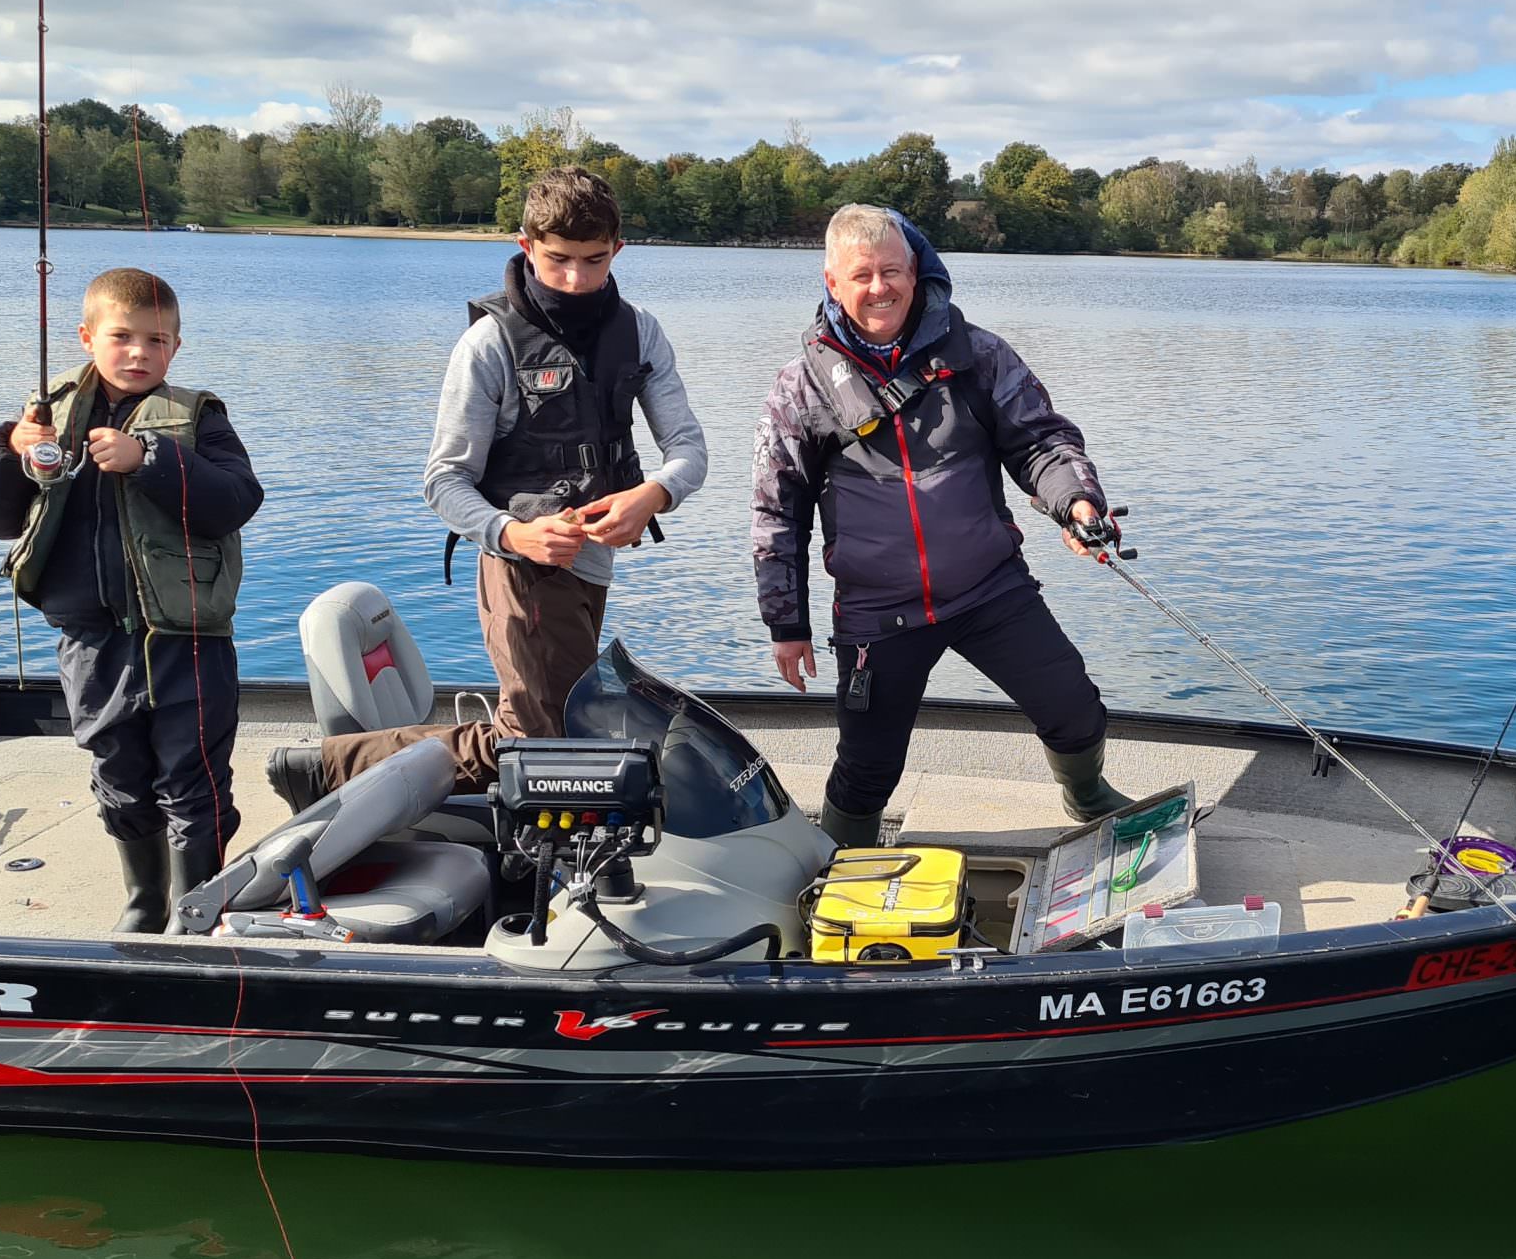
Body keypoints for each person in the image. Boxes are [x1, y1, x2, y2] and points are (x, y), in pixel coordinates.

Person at [268, 165, 705, 806]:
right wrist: (515, 533)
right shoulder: (488, 344)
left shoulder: (640, 331)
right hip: (521, 569)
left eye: (594, 260)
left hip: (595, 564)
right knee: (537, 741)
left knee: (548, 729)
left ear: (619, 250)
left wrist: (655, 494)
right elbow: (443, 480)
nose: (577, 280)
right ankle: (332, 770)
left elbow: (688, 450)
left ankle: (333, 768)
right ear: (526, 246)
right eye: (558, 261)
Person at [750, 204, 1132, 846]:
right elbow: (777, 513)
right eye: (862, 274)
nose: (880, 288)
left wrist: (1077, 502)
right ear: (832, 281)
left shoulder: (978, 354)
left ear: (916, 269)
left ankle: (1087, 794)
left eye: (892, 271)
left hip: (990, 589)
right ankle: (840, 863)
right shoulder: (801, 388)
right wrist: (787, 624)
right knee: (867, 768)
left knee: (1076, 711)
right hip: (877, 612)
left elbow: (1041, 443)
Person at [0, 267, 265, 933]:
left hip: (187, 643)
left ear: (176, 348)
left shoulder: (201, 420)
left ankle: (197, 912)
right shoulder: (47, 416)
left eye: (156, 341)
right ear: (87, 337)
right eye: (122, 337)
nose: (138, 353)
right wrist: (5, 451)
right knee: (119, 775)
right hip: (92, 640)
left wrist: (148, 459)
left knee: (195, 782)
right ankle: (144, 904)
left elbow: (236, 502)